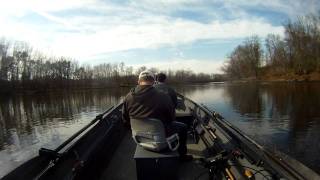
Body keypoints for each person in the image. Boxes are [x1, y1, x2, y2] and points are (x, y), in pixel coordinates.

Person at [122, 70, 192, 161]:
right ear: (153, 81)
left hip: (139, 139)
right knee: (183, 127)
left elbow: (125, 120)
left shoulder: (128, 97)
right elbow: (171, 118)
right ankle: (182, 156)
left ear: (138, 81)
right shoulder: (163, 96)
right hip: (161, 141)